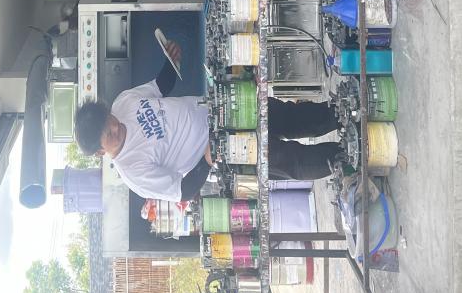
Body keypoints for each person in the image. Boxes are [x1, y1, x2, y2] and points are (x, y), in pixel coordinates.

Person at [73, 39, 342, 202]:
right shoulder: (134, 173)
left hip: (226, 108)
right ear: (100, 152)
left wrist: (170, 60)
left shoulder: (123, 103)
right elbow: (183, 191)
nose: (115, 126)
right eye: (109, 134)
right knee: (291, 160)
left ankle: (345, 116)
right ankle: (348, 155)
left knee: (290, 116)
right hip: (226, 149)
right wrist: (207, 160)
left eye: (109, 119)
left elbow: (159, 87)